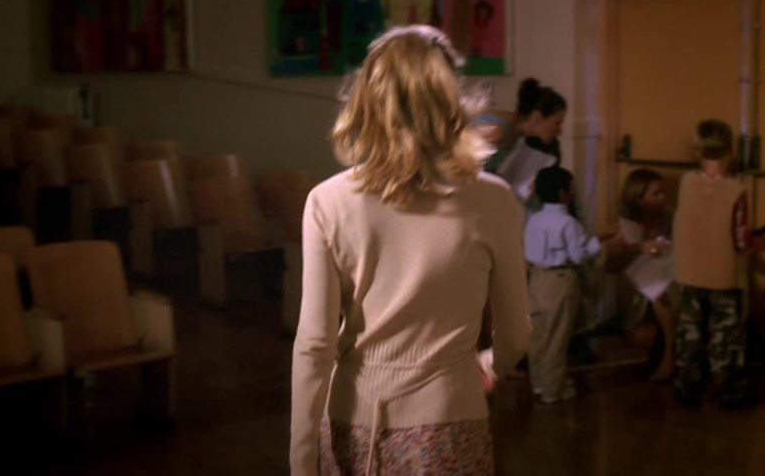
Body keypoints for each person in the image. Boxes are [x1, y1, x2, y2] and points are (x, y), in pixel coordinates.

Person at [289, 25, 531, 475]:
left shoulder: (327, 201)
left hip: (353, 419)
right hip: (451, 420)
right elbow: (516, 333)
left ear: (366, 101)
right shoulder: (494, 199)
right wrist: (488, 364)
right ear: (450, 100)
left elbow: (315, 344)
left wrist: (302, 463)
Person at [672, 119, 755, 409]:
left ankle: (688, 385)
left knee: (690, 331)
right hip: (722, 272)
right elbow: (740, 238)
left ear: (697, 150)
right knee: (725, 335)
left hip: (688, 270)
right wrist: (750, 246)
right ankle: (729, 390)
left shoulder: (686, 183)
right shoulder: (737, 189)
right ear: (731, 150)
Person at [524, 166, 601, 403]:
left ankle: (539, 382)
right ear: (562, 193)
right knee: (557, 337)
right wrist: (597, 244)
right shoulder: (568, 223)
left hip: (536, 279)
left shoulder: (534, 219)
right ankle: (553, 388)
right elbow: (578, 256)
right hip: (560, 280)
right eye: (571, 189)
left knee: (539, 335)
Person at [609, 168, 678, 381]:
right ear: (638, 198)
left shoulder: (669, 217)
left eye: (663, 192)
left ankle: (669, 357)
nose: (663, 197)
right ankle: (666, 356)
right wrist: (639, 248)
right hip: (641, 283)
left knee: (665, 297)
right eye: (656, 194)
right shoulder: (624, 223)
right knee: (659, 300)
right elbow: (611, 263)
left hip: (667, 275)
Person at [476, 77, 566, 174]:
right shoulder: (494, 132)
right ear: (537, 117)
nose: (560, 131)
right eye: (557, 123)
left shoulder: (516, 137)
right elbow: (467, 173)